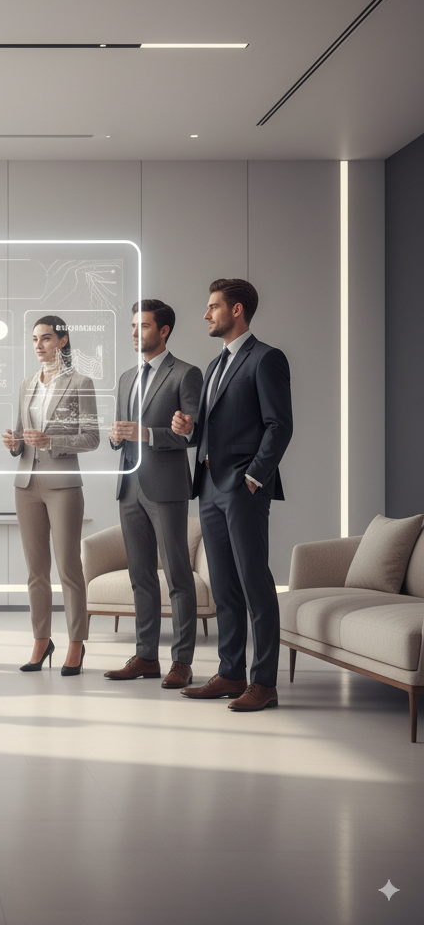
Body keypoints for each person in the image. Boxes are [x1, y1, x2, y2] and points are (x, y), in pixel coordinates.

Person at [172, 278, 293, 711]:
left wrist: (254, 477)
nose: (206, 314)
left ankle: (264, 683)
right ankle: (230, 673)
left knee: (255, 583)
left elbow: (279, 425)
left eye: (213, 306)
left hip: (243, 488)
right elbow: (211, 428)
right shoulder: (214, 365)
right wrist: (189, 431)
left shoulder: (266, 358)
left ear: (236, 310)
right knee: (224, 585)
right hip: (208, 486)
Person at [105, 300, 203, 689]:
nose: (135, 332)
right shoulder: (127, 377)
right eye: (133, 325)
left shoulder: (186, 374)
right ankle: (146, 656)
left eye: (143, 326)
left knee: (177, 575)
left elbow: (193, 434)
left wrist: (146, 434)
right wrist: (116, 437)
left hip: (166, 488)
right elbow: (121, 430)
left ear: (163, 331)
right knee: (140, 575)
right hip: (129, 487)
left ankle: (182, 661)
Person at [3, 316, 99, 675]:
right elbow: (21, 433)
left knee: (69, 568)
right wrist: (14, 443)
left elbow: (91, 437)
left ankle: (76, 644)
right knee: (35, 571)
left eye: (45, 338)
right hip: (26, 484)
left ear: (62, 340)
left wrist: (51, 441)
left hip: (63, 485)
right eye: (34, 339)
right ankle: (41, 641)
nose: (39, 345)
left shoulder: (81, 383)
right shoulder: (27, 384)